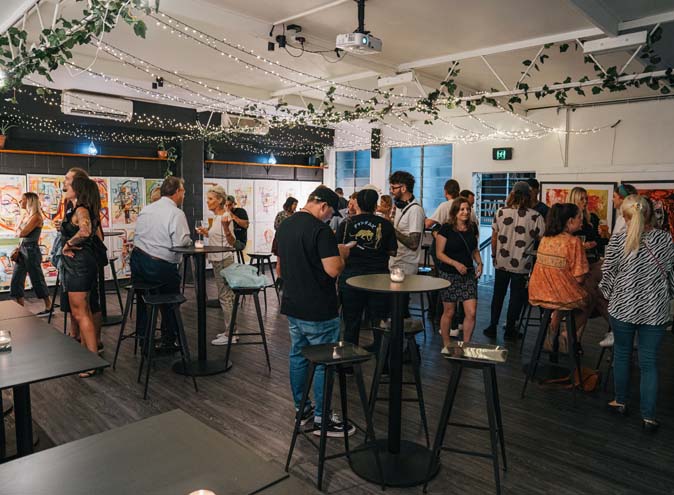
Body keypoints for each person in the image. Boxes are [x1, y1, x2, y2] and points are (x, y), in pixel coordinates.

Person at [276, 185, 354, 437]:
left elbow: (279, 270)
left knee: (298, 357)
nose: (330, 217)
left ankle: (303, 410)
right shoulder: (321, 230)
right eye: (331, 213)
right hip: (319, 308)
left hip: (293, 304)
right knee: (323, 363)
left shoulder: (285, 225)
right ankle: (322, 418)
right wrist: (342, 254)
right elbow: (333, 270)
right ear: (323, 206)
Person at [600, 195, 674, 432]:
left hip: (623, 308)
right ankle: (648, 417)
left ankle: (620, 402)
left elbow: (608, 274)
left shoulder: (618, 239)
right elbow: (671, 274)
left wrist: (606, 295)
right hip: (655, 310)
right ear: (650, 214)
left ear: (625, 216)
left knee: (622, 355)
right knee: (649, 362)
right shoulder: (665, 239)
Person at [131, 177, 191, 353]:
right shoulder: (176, 213)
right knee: (170, 300)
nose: (184, 195)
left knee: (144, 301)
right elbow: (180, 242)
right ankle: (169, 339)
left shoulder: (146, 209)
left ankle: (144, 339)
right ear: (177, 192)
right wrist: (189, 241)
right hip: (159, 267)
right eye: (183, 191)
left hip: (138, 264)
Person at [483, 181, 545, 340]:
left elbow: (494, 238)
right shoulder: (535, 216)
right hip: (522, 264)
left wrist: (493, 256)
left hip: (502, 262)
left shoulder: (501, 212)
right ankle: (510, 329)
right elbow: (542, 240)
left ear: (512, 194)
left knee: (498, 295)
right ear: (528, 196)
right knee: (516, 298)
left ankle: (492, 326)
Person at [337, 188, 397, 349]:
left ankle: (349, 359)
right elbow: (393, 251)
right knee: (379, 321)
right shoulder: (385, 224)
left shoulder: (346, 224)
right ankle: (381, 359)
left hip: (351, 278)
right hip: (378, 278)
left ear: (357, 204)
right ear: (375, 205)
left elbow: (339, 249)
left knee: (351, 321)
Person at [528, 203, 591, 345]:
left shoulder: (545, 239)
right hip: (560, 295)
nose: (582, 221)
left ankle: (553, 328)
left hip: (538, 292)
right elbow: (579, 278)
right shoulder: (573, 242)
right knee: (590, 299)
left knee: (564, 294)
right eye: (579, 217)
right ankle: (567, 334)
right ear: (570, 221)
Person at [58, 167, 104, 348]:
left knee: (81, 313)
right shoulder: (79, 208)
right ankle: (88, 353)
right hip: (79, 264)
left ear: (78, 188)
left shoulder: (81, 208)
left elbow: (86, 231)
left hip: (79, 265)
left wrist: (68, 244)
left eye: (69, 184)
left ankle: (92, 357)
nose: (65, 187)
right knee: (83, 311)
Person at [435, 197, 482, 350]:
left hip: (468, 275)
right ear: (455, 211)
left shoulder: (472, 227)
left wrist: (480, 263)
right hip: (449, 275)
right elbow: (439, 253)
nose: (465, 212)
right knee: (449, 311)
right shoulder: (446, 228)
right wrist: (455, 263)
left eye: (468, 209)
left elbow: (474, 249)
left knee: (472, 312)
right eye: (462, 209)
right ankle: (446, 343)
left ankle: (466, 344)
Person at [197, 186, 237, 346]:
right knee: (226, 296)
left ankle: (231, 334)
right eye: (207, 199)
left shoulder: (225, 217)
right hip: (218, 261)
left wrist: (226, 229)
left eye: (211, 199)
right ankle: (231, 331)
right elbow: (219, 237)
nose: (207, 202)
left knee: (226, 297)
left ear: (220, 200)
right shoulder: (217, 217)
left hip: (223, 261)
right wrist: (206, 232)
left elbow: (232, 241)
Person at [10, 192, 51, 315]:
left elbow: (22, 233)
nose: (20, 202)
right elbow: (18, 232)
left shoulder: (36, 217)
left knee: (37, 279)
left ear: (29, 201)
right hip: (23, 249)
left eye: (22, 200)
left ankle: (49, 306)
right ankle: (20, 307)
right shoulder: (27, 216)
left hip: (31, 250)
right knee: (17, 279)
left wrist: (19, 230)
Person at [568, 187, 603, 263]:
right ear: (574, 200)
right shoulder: (566, 219)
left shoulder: (593, 217)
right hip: (573, 260)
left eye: (586, 198)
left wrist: (595, 242)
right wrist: (581, 246)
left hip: (591, 259)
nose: (585, 201)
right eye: (581, 199)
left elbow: (600, 239)